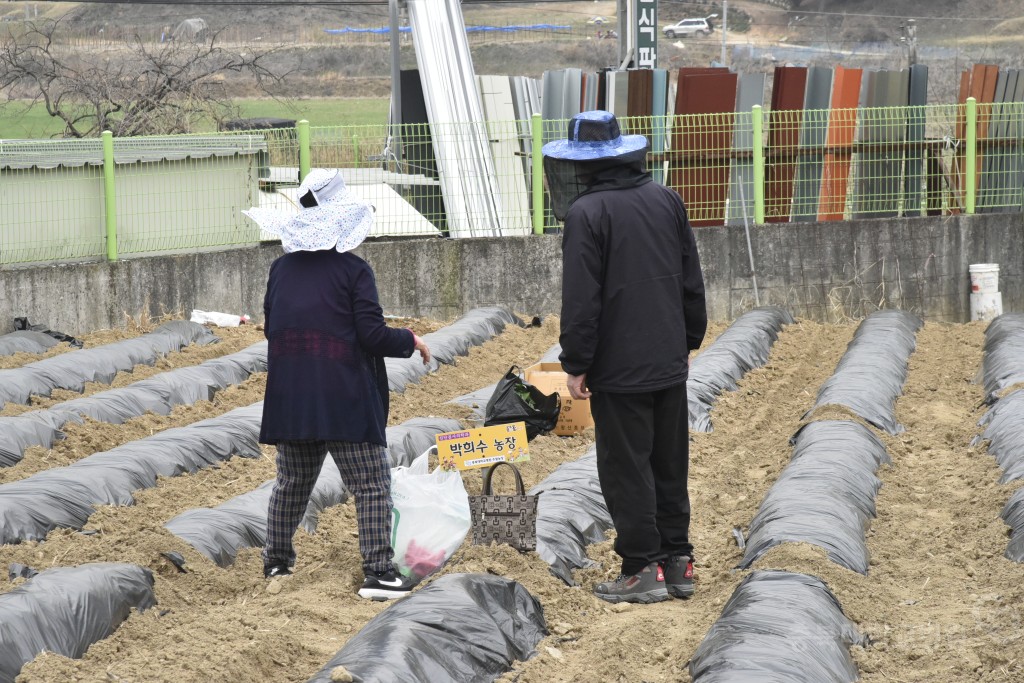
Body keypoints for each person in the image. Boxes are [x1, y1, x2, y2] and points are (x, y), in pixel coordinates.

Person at [542, 111, 707, 604]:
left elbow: (582, 301)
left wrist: (577, 363)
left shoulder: (586, 215)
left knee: (626, 467)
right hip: (666, 358)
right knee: (669, 461)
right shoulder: (666, 200)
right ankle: (678, 561)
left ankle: (641, 568)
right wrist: (687, 340)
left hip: (619, 367)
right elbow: (690, 279)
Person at [243, 169, 431, 600]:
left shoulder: (280, 269)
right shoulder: (353, 270)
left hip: (291, 397)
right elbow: (371, 334)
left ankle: (276, 563)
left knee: (292, 483)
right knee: (370, 484)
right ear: (341, 220)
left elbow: (273, 328)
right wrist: (411, 339)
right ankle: (379, 572)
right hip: (343, 396)